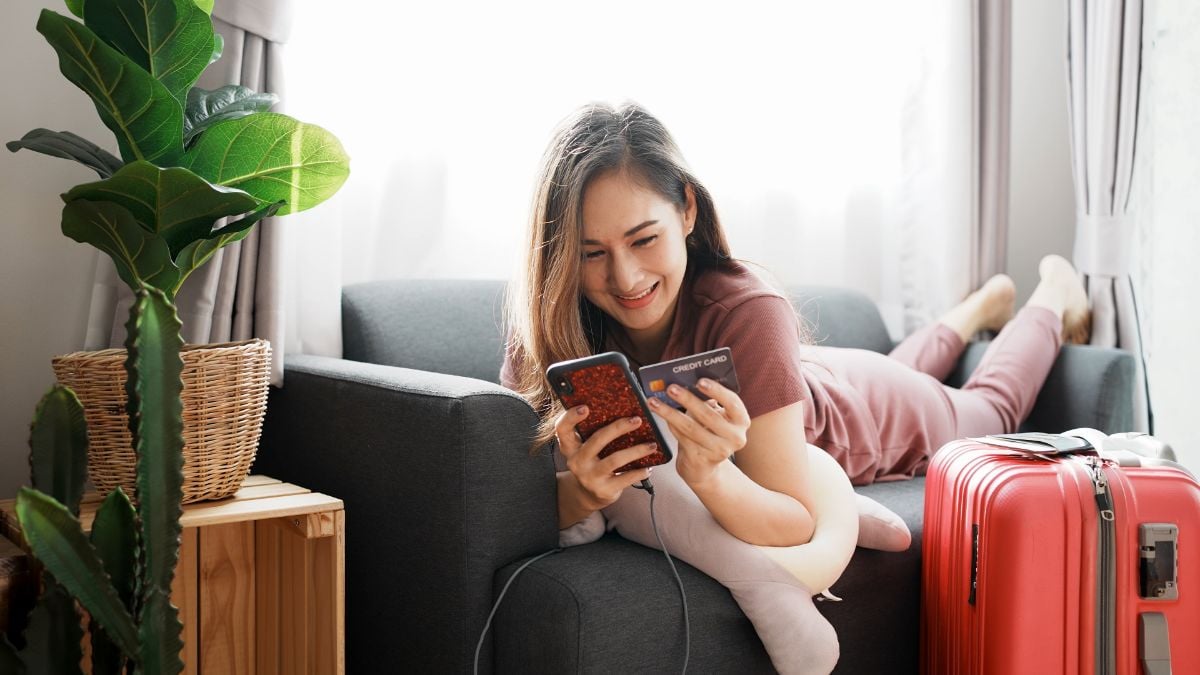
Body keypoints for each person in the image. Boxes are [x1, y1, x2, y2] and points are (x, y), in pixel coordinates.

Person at [499, 100, 1089, 599]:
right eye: (591, 252)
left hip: (861, 416)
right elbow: (505, 505)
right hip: (802, 379)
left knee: (987, 410)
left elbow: (796, 519)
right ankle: (972, 314)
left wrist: (709, 478)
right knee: (895, 371)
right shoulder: (550, 329)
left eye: (643, 239)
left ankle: (1052, 298)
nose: (625, 277)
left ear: (686, 210)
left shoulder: (749, 310)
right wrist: (582, 492)